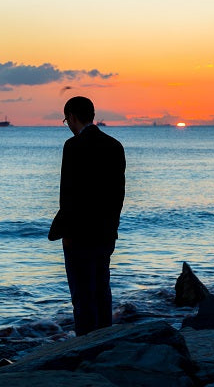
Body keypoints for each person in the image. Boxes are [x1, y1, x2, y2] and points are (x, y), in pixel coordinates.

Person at [48, 96, 126, 336]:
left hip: (79, 234)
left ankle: (86, 345)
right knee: (102, 288)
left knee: (82, 295)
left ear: (72, 116)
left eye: (66, 120)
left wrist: (64, 232)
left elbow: (69, 194)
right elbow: (118, 195)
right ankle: (105, 340)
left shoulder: (73, 147)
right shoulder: (114, 145)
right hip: (105, 232)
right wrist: (112, 229)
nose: (68, 125)